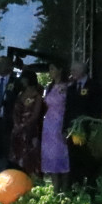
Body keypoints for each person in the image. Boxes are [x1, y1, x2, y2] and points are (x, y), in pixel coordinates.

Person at [64, 61, 102, 186]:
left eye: (74, 70)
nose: (72, 73)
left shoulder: (94, 86)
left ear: (82, 71)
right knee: (74, 160)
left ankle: (90, 189)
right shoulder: (71, 88)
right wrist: (64, 129)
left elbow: (97, 110)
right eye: (71, 70)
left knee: (88, 160)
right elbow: (68, 110)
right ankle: (75, 188)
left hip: (88, 130)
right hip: (73, 131)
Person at [41, 62, 70, 191]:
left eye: (53, 68)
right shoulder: (49, 87)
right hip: (49, 125)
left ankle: (64, 189)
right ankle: (54, 188)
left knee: (62, 155)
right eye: (49, 69)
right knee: (51, 156)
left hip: (61, 122)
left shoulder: (67, 86)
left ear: (60, 70)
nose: (50, 71)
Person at [9, 69, 43, 175]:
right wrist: (16, 124)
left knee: (28, 156)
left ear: (28, 79)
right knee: (16, 155)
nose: (22, 81)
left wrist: (23, 126)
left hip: (29, 130)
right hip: (17, 129)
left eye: (23, 78)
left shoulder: (37, 96)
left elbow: (35, 115)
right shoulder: (20, 94)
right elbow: (15, 111)